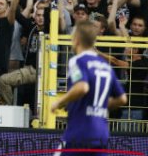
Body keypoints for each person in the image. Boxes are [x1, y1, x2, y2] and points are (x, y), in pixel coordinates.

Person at [50, 21, 127, 154]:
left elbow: (82, 87)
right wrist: (99, 104)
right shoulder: (105, 66)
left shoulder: (77, 61)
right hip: (101, 133)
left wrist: (59, 102)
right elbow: (122, 99)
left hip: (80, 130)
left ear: (77, 40)